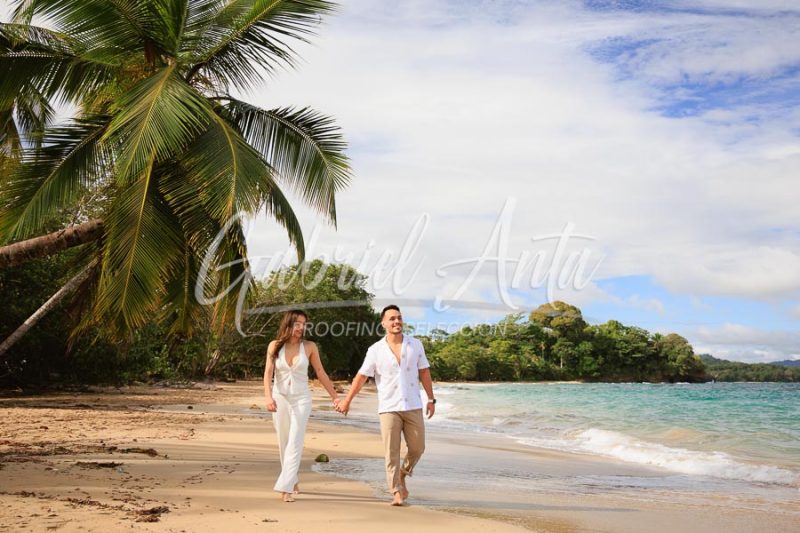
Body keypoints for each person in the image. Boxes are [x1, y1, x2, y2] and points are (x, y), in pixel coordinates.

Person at [336, 305, 435, 506]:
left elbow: (424, 372)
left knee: (418, 448)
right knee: (391, 452)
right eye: (391, 319)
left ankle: (402, 473)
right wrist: (347, 400)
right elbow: (362, 376)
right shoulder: (375, 350)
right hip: (389, 407)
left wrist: (431, 399)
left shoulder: (415, 345)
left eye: (399, 318)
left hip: (413, 405)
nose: (396, 321)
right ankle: (395, 491)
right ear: (383, 323)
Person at [264, 310, 339, 502]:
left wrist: (335, 397)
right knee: (284, 441)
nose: (301, 327)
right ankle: (292, 478)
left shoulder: (309, 346)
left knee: (295, 440)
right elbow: (268, 373)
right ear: (288, 324)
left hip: (301, 399)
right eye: (297, 323)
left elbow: (320, 372)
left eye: (303, 324)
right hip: (279, 397)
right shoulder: (274, 346)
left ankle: (286, 487)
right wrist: (268, 397)